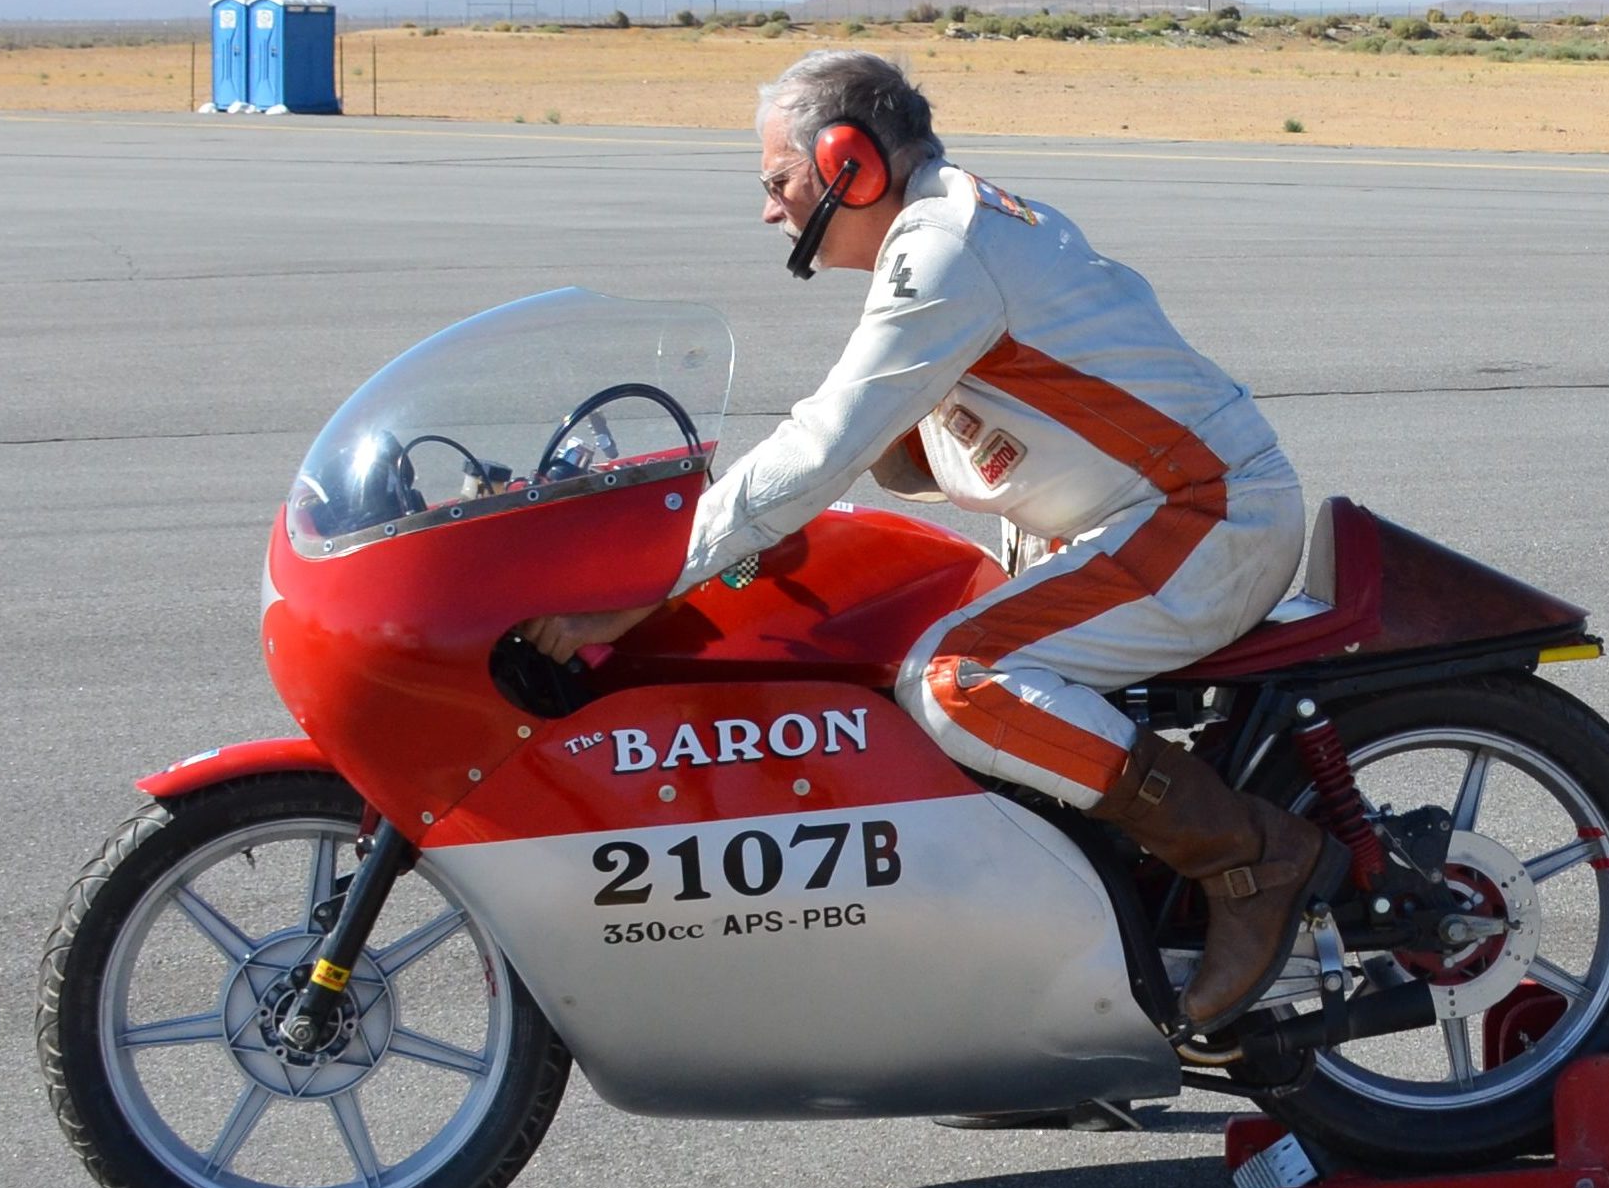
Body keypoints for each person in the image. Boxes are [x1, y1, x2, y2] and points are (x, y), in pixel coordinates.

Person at [525, 51, 1332, 1034]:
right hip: (1133, 521)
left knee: (960, 681)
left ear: (849, 165)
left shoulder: (945, 252)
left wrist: (646, 583)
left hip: (1202, 519)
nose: (769, 211)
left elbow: (822, 444)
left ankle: (1246, 858)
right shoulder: (946, 229)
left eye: (777, 182)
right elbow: (860, 437)